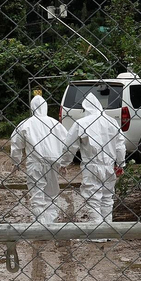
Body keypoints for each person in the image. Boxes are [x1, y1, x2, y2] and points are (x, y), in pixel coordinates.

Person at [60, 93, 126, 226]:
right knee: (107, 199)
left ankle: (97, 234)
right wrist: (120, 164)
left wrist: (64, 163)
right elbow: (120, 145)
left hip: (91, 166)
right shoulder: (111, 121)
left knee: (93, 199)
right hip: (109, 165)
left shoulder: (82, 123)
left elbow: (70, 145)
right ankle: (108, 231)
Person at [10, 95, 68, 223]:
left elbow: (16, 144)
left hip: (35, 162)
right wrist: (64, 163)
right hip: (54, 162)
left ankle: (40, 225)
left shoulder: (26, 124)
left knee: (37, 194)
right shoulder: (55, 123)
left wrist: (16, 162)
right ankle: (50, 224)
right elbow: (67, 143)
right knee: (52, 194)